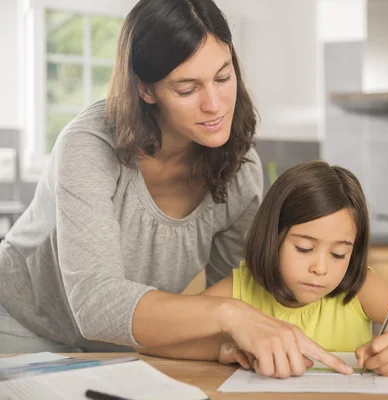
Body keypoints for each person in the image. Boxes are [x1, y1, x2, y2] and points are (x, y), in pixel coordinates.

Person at [0, 0, 352, 375]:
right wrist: (229, 315)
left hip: (136, 342)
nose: (214, 105)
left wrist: (229, 336)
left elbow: (233, 287)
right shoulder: (87, 147)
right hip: (25, 326)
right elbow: (96, 305)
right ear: (146, 90)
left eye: (223, 76)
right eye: (187, 89)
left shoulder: (240, 168)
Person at [181, 160, 388, 378]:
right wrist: (219, 347)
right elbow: (155, 338)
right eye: (304, 248)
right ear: (273, 237)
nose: (321, 268)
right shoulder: (239, 290)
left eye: (339, 253)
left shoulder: (360, 289)